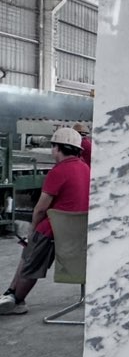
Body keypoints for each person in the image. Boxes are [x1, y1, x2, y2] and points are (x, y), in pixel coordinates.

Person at [0, 128, 91, 315]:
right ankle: (10, 292)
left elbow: (40, 209)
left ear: (57, 148)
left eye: (53, 147)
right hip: (78, 231)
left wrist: (32, 230)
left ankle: (17, 301)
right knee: (28, 247)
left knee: (32, 250)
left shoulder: (58, 171)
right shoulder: (85, 168)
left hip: (56, 230)